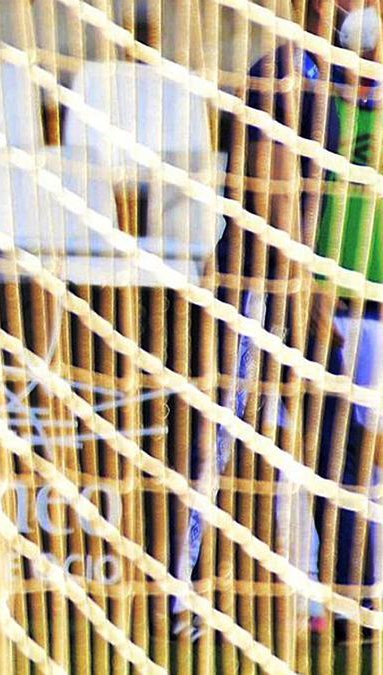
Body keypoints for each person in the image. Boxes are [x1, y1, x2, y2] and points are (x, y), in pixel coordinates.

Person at [176, 0, 383, 639]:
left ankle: (356, 611)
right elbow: (272, 204)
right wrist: (309, 304)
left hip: (364, 303)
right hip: (268, 294)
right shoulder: (286, 76)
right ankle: (179, 595)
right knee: (214, 443)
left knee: (346, 460)